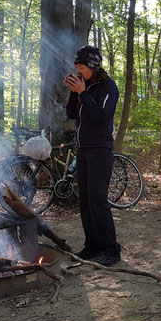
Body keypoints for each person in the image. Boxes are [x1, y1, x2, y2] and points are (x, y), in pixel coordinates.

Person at [64, 45, 121, 266]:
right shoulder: (83, 86)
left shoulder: (108, 87)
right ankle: (93, 245)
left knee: (98, 199)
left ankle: (111, 249)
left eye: (81, 67)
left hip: (100, 150)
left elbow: (101, 117)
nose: (78, 71)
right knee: (85, 200)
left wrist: (82, 93)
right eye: (76, 67)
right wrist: (74, 90)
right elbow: (71, 114)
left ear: (93, 66)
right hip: (83, 149)